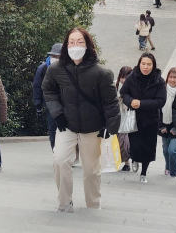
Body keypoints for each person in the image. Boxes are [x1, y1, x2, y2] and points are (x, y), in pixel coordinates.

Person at [43, 26, 121, 212]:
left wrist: (110, 126)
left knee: (91, 170)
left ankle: (93, 205)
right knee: (60, 160)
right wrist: (57, 113)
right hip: (66, 124)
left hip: (92, 127)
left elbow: (111, 101)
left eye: (80, 42)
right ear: (66, 45)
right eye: (71, 42)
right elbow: (48, 90)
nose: (75, 46)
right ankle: (64, 203)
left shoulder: (101, 73)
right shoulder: (56, 70)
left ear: (87, 45)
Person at [120, 52, 166, 183]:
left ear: (153, 65)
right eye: (143, 64)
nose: (146, 67)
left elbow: (161, 101)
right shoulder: (132, 77)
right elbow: (123, 93)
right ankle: (134, 158)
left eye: (149, 64)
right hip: (134, 118)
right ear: (139, 64)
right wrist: (131, 101)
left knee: (148, 147)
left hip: (150, 119)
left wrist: (141, 103)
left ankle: (144, 173)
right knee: (134, 145)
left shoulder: (159, 81)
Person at [33, 43, 62, 150]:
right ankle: (55, 152)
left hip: (67, 103)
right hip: (50, 103)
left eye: (58, 57)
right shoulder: (43, 68)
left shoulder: (68, 68)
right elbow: (37, 87)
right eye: (54, 56)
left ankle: (68, 155)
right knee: (53, 128)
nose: (55, 59)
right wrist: (38, 106)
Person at [159, 67, 176, 177]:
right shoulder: (162, 90)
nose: (172, 80)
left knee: (172, 150)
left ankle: (174, 171)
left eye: (175, 77)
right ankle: (167, 167)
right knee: (165, 150)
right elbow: (157, 109)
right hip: (164, 125)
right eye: (170, 77)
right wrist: (161, 126)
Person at [115, 66, 133, 171]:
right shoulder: (115, 85)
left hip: (128, 116)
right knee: (117, 141)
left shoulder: (133, 87)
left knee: (125, 142)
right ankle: (120, 162)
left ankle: (127, 162)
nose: (123, 80)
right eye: (122, 77)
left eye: (126, 77)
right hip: (117, 117)